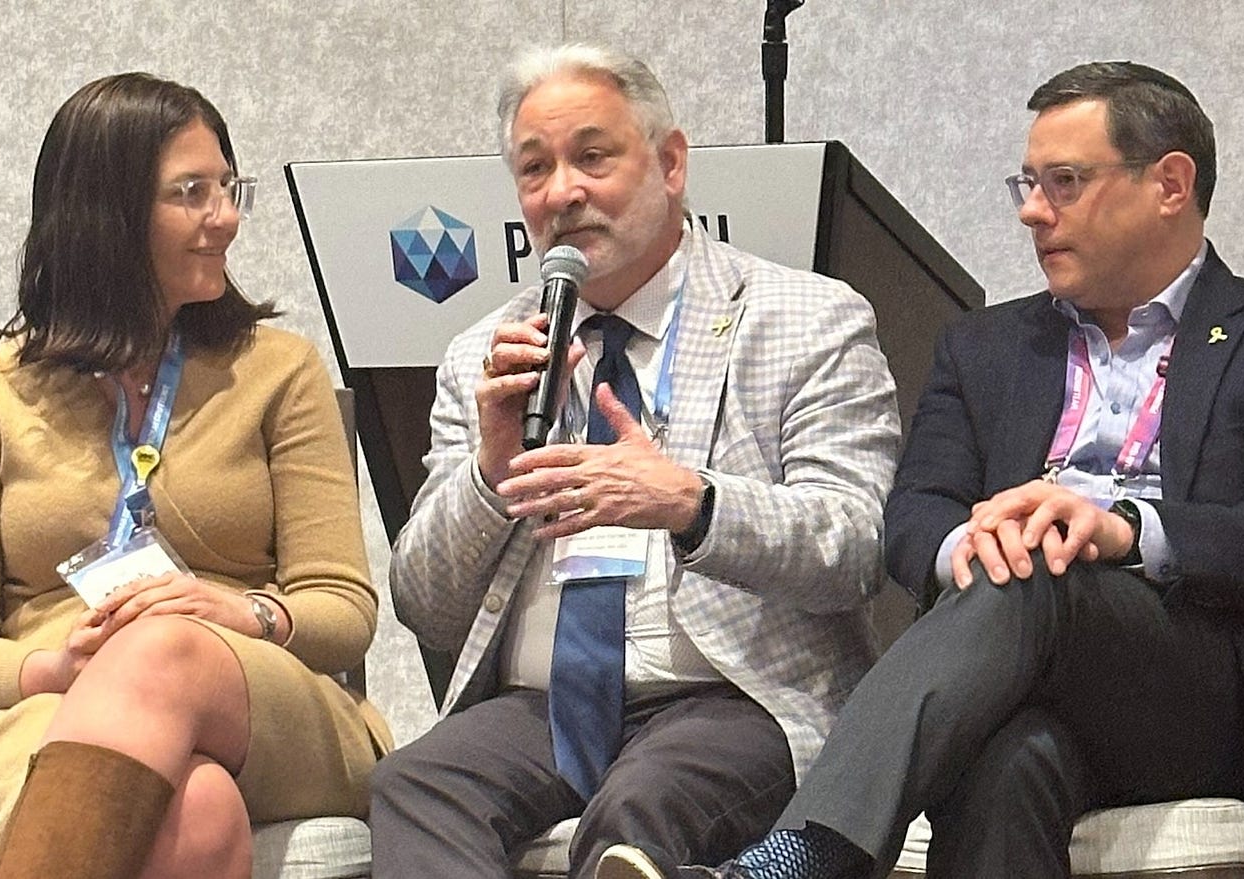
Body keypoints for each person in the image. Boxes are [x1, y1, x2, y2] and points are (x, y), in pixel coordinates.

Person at [600, 61, 1244, 879]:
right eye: (1027, 183)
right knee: (1008, 760)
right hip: (1028, 670)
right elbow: (913, 512)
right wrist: (972, 541)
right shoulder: (986, 346)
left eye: (1064, 182)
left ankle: (797, 859)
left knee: (1039, 566)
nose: (1034, 211)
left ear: (1170, 183)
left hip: (1218, 694)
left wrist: (1123, 529)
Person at [371, 43, 901, 879]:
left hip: (733, 695)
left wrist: (691, 501)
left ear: (671, 162)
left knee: (640, 802)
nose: (563, 192)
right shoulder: (488, 352)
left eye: (592, 157)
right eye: (535, 169)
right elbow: (425, 607)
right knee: (414, 782)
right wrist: (489, 471)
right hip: (541, 704)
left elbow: (855, 548)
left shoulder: (805, 317)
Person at [0, 72, 392, 879]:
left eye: (229, 187)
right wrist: (52, 666)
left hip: (267, 702)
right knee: (193, 810)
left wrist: (234, 611)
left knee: (163, 647)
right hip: (47, 704)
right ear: (106, 215)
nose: (226, 217)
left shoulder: (279, 370)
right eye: (192, 192)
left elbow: (342, 610)